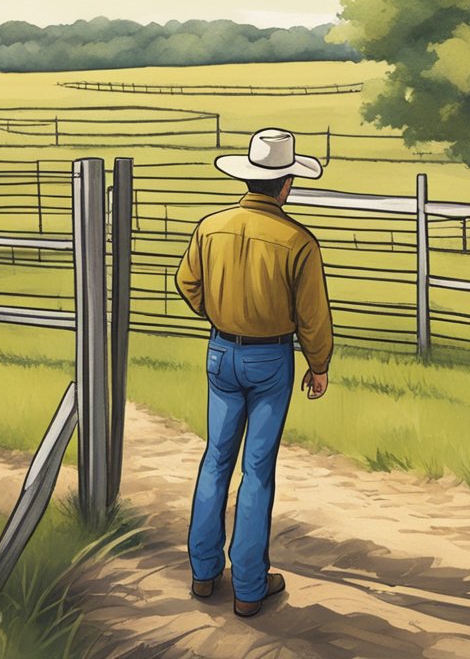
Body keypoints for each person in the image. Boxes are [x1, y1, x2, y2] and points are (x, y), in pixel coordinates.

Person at [174, 127, 333, 618]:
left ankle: (203, 573)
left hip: (221, 350)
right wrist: (319, 364)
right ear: (286, 185)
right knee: (257, 469)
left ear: (248, 179)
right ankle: (248, 585)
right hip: (271, 358)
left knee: (215, 459)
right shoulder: (298, 240)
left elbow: (187, 282)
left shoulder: (210, 226)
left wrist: (220, 312)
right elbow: (313, 315)